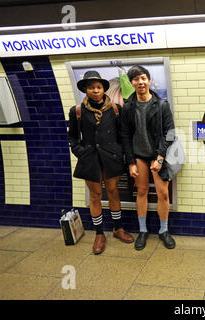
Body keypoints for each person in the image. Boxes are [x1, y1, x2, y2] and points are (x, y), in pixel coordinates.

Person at [68, 70, 134, 255]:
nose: (95, 90)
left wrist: (121, 154)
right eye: (91, 87)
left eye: (98, 87)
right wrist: (79, 152)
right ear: (86, 90)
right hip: (90, 159)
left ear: (103, 89)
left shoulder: (115, 109)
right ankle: (99, 234)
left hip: (111, 158)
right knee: (95, 196)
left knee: (113, 192)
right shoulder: (77, 111)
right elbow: (72, 137)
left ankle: (118, 229)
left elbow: (123, 136)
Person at [121, 65, 176, 250]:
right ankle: (143, 231)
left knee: (163, 194)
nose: (140, 82)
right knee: (142, 192)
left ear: (149, 80)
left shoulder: (161, 105)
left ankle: (164, 231)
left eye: (143, 78)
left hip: (158, 155)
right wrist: (130, 162)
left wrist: (160, 157)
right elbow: (126, 136)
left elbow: (170, 133)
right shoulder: (128, 107)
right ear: (132, 83)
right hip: (139, 155)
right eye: (136, 79)